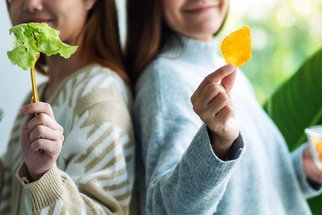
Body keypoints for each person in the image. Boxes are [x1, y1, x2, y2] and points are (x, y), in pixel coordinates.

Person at [125, 0, 322, 214]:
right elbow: (166, 209)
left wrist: (305, 167)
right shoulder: (163, 80)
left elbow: (252, 191)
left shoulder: (226, 70)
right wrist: (218, 143)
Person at [0, 0, 135, 214]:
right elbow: (11, 198)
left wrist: (42, 176)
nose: (31, 5)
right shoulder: (37, 96)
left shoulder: (100, 98)